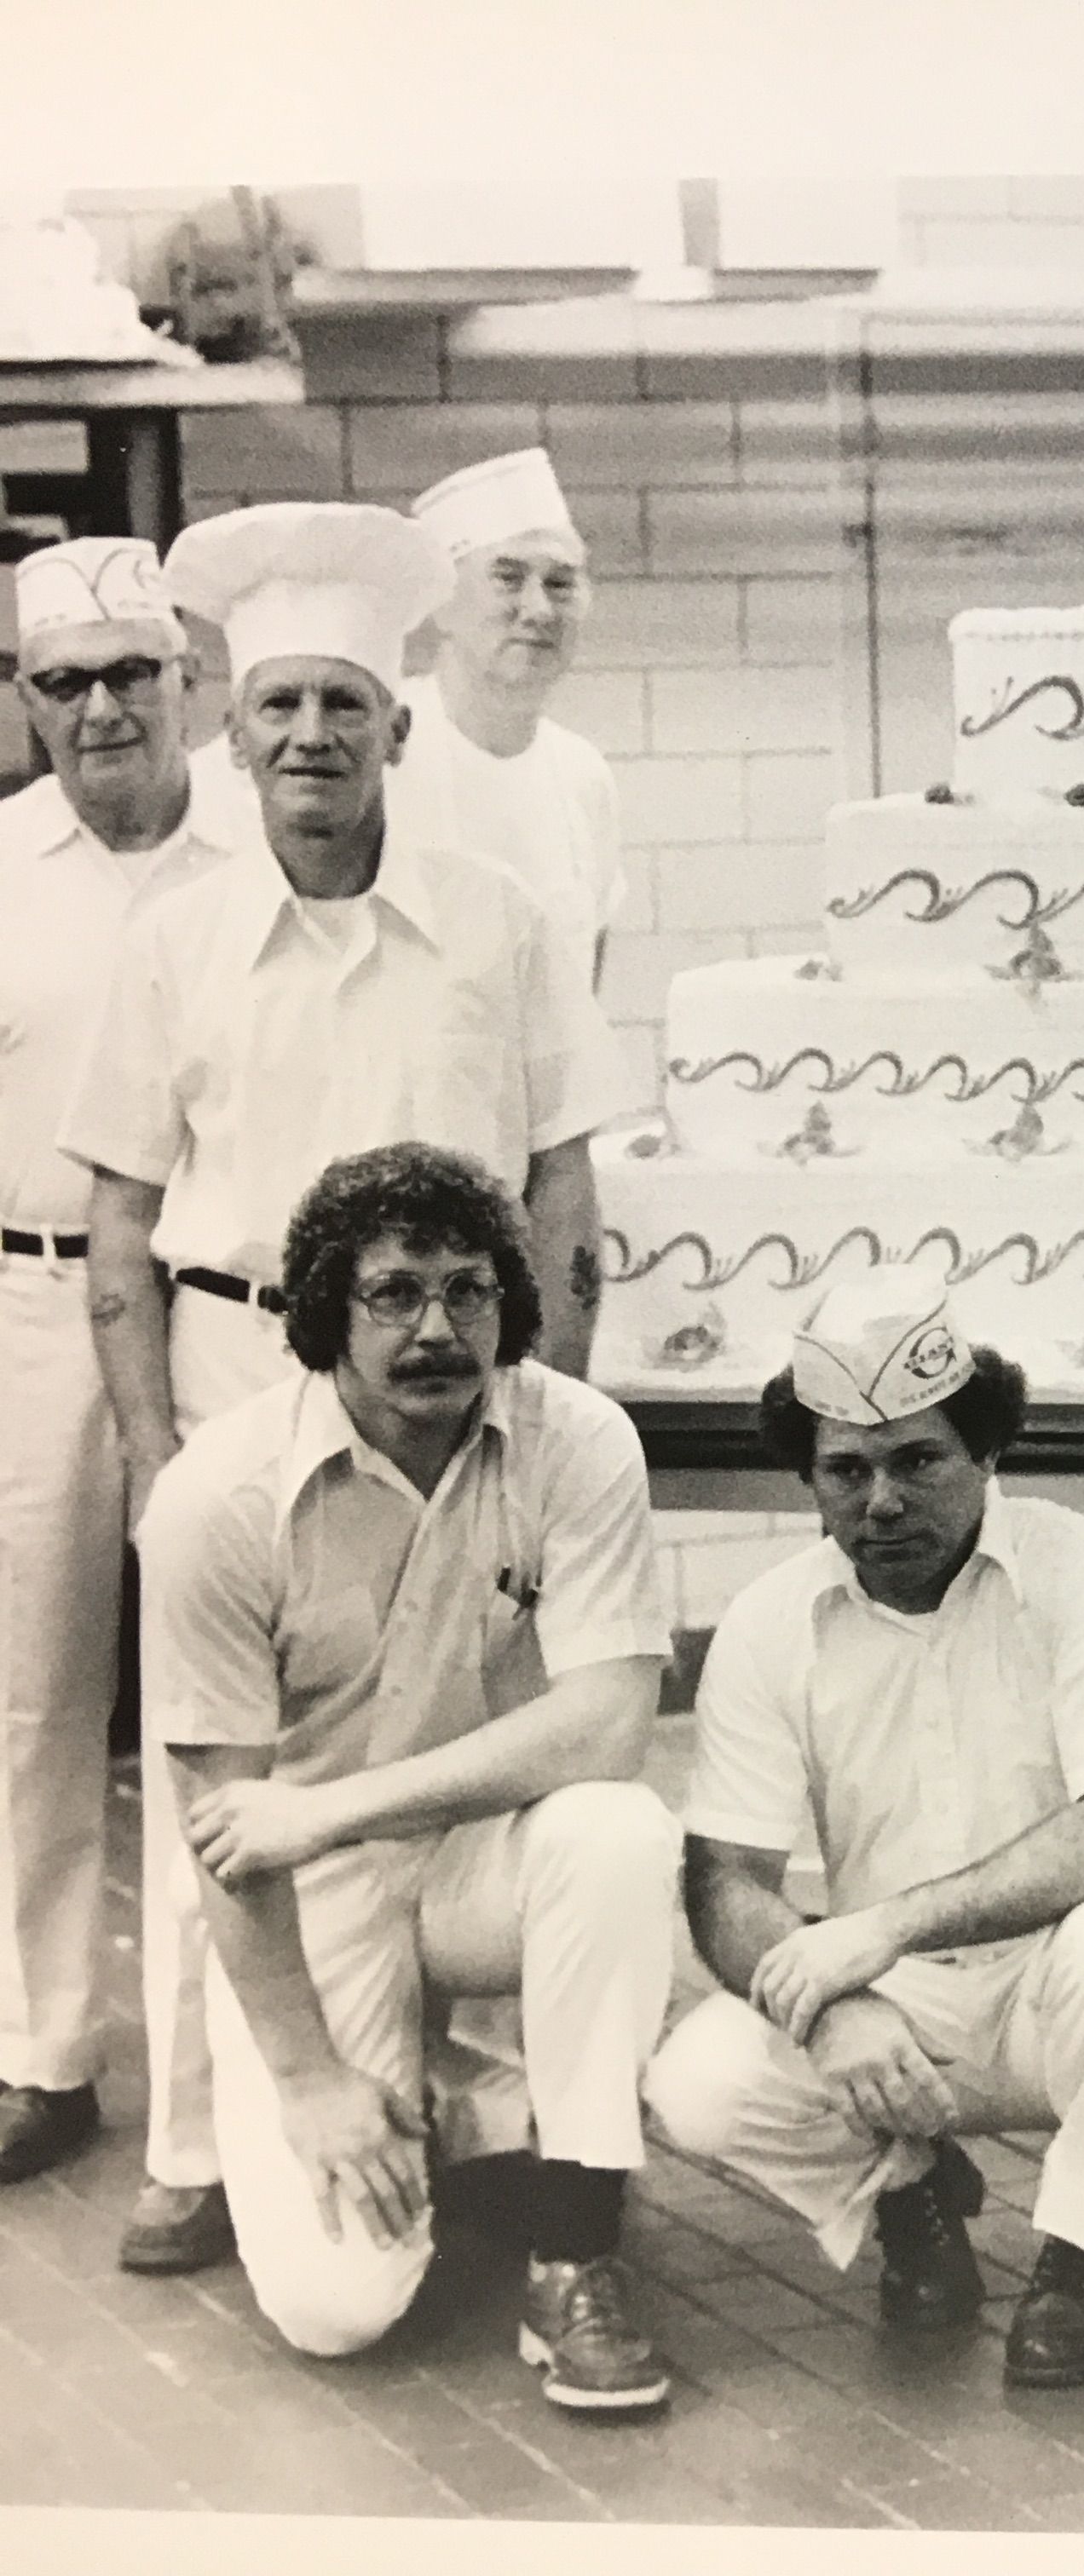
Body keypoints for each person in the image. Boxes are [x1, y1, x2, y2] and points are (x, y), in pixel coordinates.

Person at [62, 501, 631, 2277]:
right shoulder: (174, 941)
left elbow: (560, 1192)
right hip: (245, 1370)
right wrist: (163, 1454)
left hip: (468, 1392)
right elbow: (121, 1225)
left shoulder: (503, 918)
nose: (310, 737)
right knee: (219, 1761)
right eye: (278, 708)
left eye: (342, 705)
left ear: (396, 723)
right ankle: (196, 2147)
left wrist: (550, 1423)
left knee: (470, 1731)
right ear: (234, 739)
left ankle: (493, 2117)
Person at [136, 1143, 677, 2401]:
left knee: (618, 1832)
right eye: (393, 1294)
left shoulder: (579, 1438)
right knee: (340, 2312)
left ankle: (575, 2244)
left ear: (511, 1301)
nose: (437, 1328)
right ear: (326, 1306)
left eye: (469, 1291)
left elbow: (606, 1725)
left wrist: (329, 1806)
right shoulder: (217, 1495)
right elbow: (229, 1833)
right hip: (304, 1886)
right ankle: (415, 2101)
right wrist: (311, 2080)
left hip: (472, 1850)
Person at [644, 1272, 1084, 2389]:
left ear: (987, 1454)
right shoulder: (770, 1623)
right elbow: (725, 1887)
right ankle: (909, 2193)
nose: (885, 1501)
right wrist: (841, 2012)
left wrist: (882, 1930)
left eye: (919, 1461)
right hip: (897, 2009)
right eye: (847, 1472)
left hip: (1065, 1988)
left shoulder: (1082, 1569)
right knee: (698, 2082)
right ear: (809, 1482)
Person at [0, 540, 245, 2195]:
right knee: (31, 1691)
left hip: (214, 1306)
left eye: (132, 675)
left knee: (222, 1705)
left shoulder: (261, 849)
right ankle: (41, 2050)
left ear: (187, 683)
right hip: (24, 1315)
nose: (101, 711)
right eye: (65, 684)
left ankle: (222, 2093)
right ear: (25, 703)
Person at [398, 447, 626, 986]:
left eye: (560, 583)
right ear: (441, 602)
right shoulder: (385, 751)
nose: (539, 609)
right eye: (508, 578)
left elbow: (584, 992)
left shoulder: (582, 774)